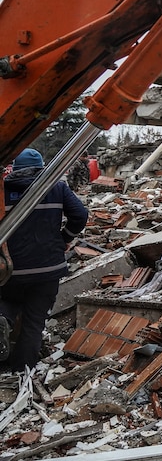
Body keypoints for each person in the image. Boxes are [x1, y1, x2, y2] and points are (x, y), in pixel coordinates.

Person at [0, 148, 88, 371]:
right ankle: (22, 373)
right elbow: (80, 214)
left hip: (9, 270)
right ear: (42, 167)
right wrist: (64, 238)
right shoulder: (56, 187)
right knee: (33, 323)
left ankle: (5, 320)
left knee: (7, 304)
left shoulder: (1, 190)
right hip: (48, 269)